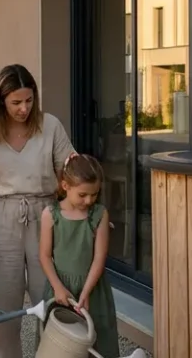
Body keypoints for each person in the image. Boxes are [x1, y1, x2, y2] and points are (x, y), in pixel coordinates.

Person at [0, 63, 77, 358]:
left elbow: (69, 173)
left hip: (45, 213)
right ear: (1, 101)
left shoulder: (51, 126)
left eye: (29, 100)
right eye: (16, 102)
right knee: (6, 302)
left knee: (49, 295)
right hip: (0, 217)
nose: (23, 108)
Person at [40, 153, 120, 358]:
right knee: (59, 346)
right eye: (83, 194)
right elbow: (45, 256)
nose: (89, 200)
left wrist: (85, 293)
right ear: (65, 186)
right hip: (60, 288)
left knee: (97, 341)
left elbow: (99, 258)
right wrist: (58, 287)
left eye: (94, 194)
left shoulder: (99, 214)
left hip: (93, 289)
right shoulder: (50, 214)